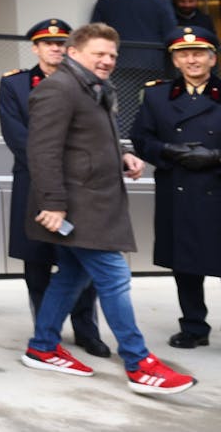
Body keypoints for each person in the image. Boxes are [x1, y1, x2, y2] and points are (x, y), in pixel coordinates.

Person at [20, 23, 196, 396]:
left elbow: (86, 142)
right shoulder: (59, 89)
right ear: (74, 52)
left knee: (70, 276)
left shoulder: (94, 87)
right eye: (98, 53)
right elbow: (42, 151)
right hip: (77, 206)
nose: (107, 60)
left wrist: (123, 156)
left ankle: (43, 345)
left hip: (93, 202)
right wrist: (53, 203)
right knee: (114, 277)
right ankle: (138, 362)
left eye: (112, 55)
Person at [0, 19, 109, 357]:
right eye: (47, 43)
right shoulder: (15, 85)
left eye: (62, 43)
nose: (55, 48)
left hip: (77, 187)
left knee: (81, 258)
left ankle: (86, 330)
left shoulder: (88, 83)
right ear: (35, 48)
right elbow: (17, 136)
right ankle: (47, 330)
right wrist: (52, 168)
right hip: (33, 183)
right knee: (36, 263)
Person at [129, 26, 221, 350]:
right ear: (175, 61)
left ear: (212, 58)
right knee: (186, 266)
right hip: (178, 191)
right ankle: (194, 326)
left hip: (217, 189)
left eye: (198, 53)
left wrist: (215, 156)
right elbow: (141, 139)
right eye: (183, 54)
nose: (191, 60)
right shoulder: (156, 95)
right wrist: (169, 151)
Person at [90, 0, 177, 134]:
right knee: (154, 102)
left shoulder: (106, 2)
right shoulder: (161, 3)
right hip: (153, 63)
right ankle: (149, 136)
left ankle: (124, 137)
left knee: (123, 103)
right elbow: (170, 34)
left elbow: (95, 33)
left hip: (117, 61)